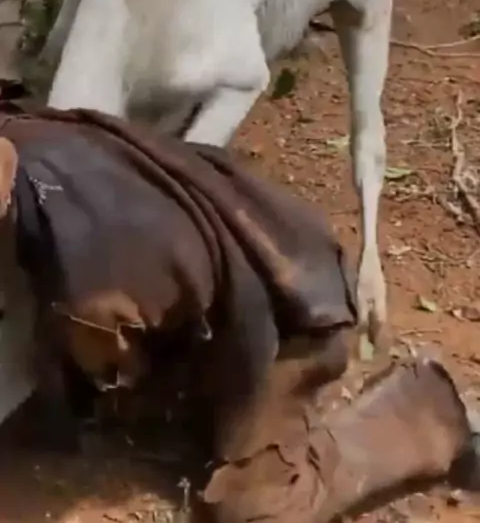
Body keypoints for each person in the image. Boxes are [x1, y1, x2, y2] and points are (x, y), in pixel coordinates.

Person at [0, 99, 478, 522]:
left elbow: (115, 362)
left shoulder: (92, 292)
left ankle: (431, 412)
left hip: (291, 312)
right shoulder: (22, 133)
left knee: (252, 508)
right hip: (246, 234)